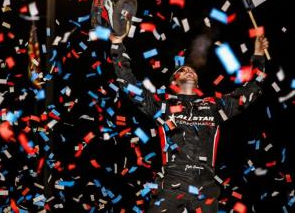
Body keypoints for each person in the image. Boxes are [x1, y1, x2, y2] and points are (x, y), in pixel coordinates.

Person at [109, 29, 269, 212]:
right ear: (173, 83)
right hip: (170, 185)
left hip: (205, 188)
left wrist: (258, 55)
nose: (188, 70)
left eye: (191, 70)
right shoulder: (162, 106)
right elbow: (129, 84)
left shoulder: (214, 106)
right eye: (182, 70)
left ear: (198, 83)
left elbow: (251, 92)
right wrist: (116, 45)